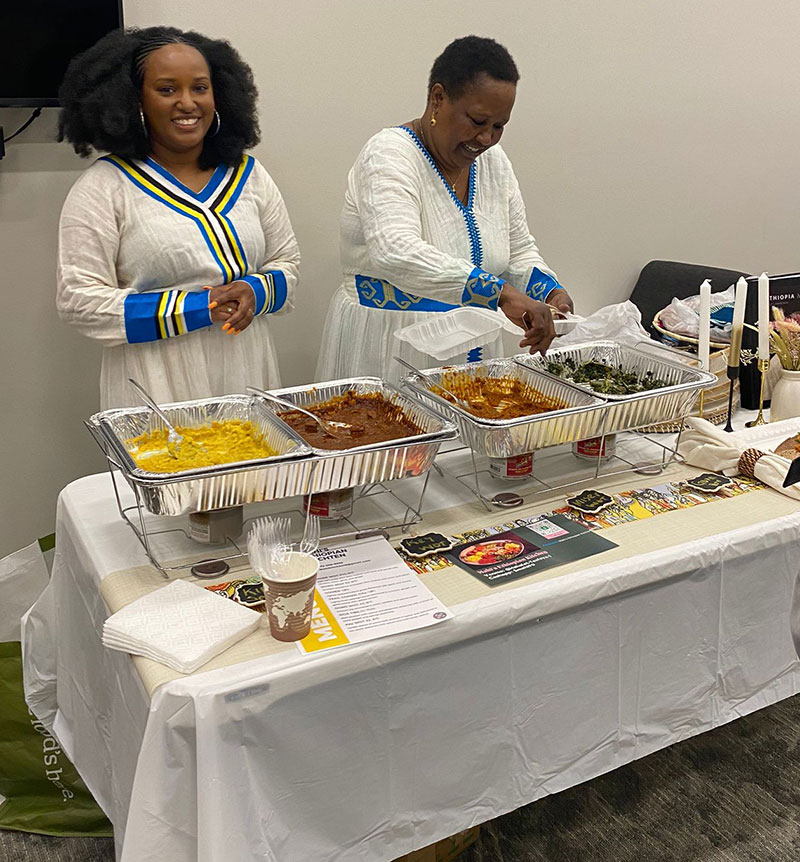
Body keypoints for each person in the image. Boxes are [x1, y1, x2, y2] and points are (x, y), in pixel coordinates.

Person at [57, 26, 299, 409]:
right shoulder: (104, 186)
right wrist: (195, 309)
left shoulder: (249, 173)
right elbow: (78, 301)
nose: (188, 103)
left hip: (246, 367)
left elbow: (287, 264)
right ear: (133, 99)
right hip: (155, 381)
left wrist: (255, 291)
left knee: (255, 468)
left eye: (200, 88)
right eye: (167, 89)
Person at [315, 35, 573, 382]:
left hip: (475, 347)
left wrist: (550, 292)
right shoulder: (388, 155)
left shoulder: (494, 164)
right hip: (393, 349)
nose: (487, 139)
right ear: (438, 98)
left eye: (499, 126)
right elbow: (395, 251)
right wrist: (499, 293)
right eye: (478, 121)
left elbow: (518, 251)